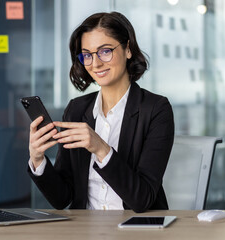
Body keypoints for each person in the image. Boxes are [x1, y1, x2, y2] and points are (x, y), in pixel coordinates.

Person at [27, 12, 174, 213]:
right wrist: (37, 159)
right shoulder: (76, 109)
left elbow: (143, 199)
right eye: (87, 55)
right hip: (85, 229)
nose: (95, 64)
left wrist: (101, 148)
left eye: (105, 51)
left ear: (128, 49)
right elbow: (62, 199)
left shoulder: (156, 109)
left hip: (137, 228)